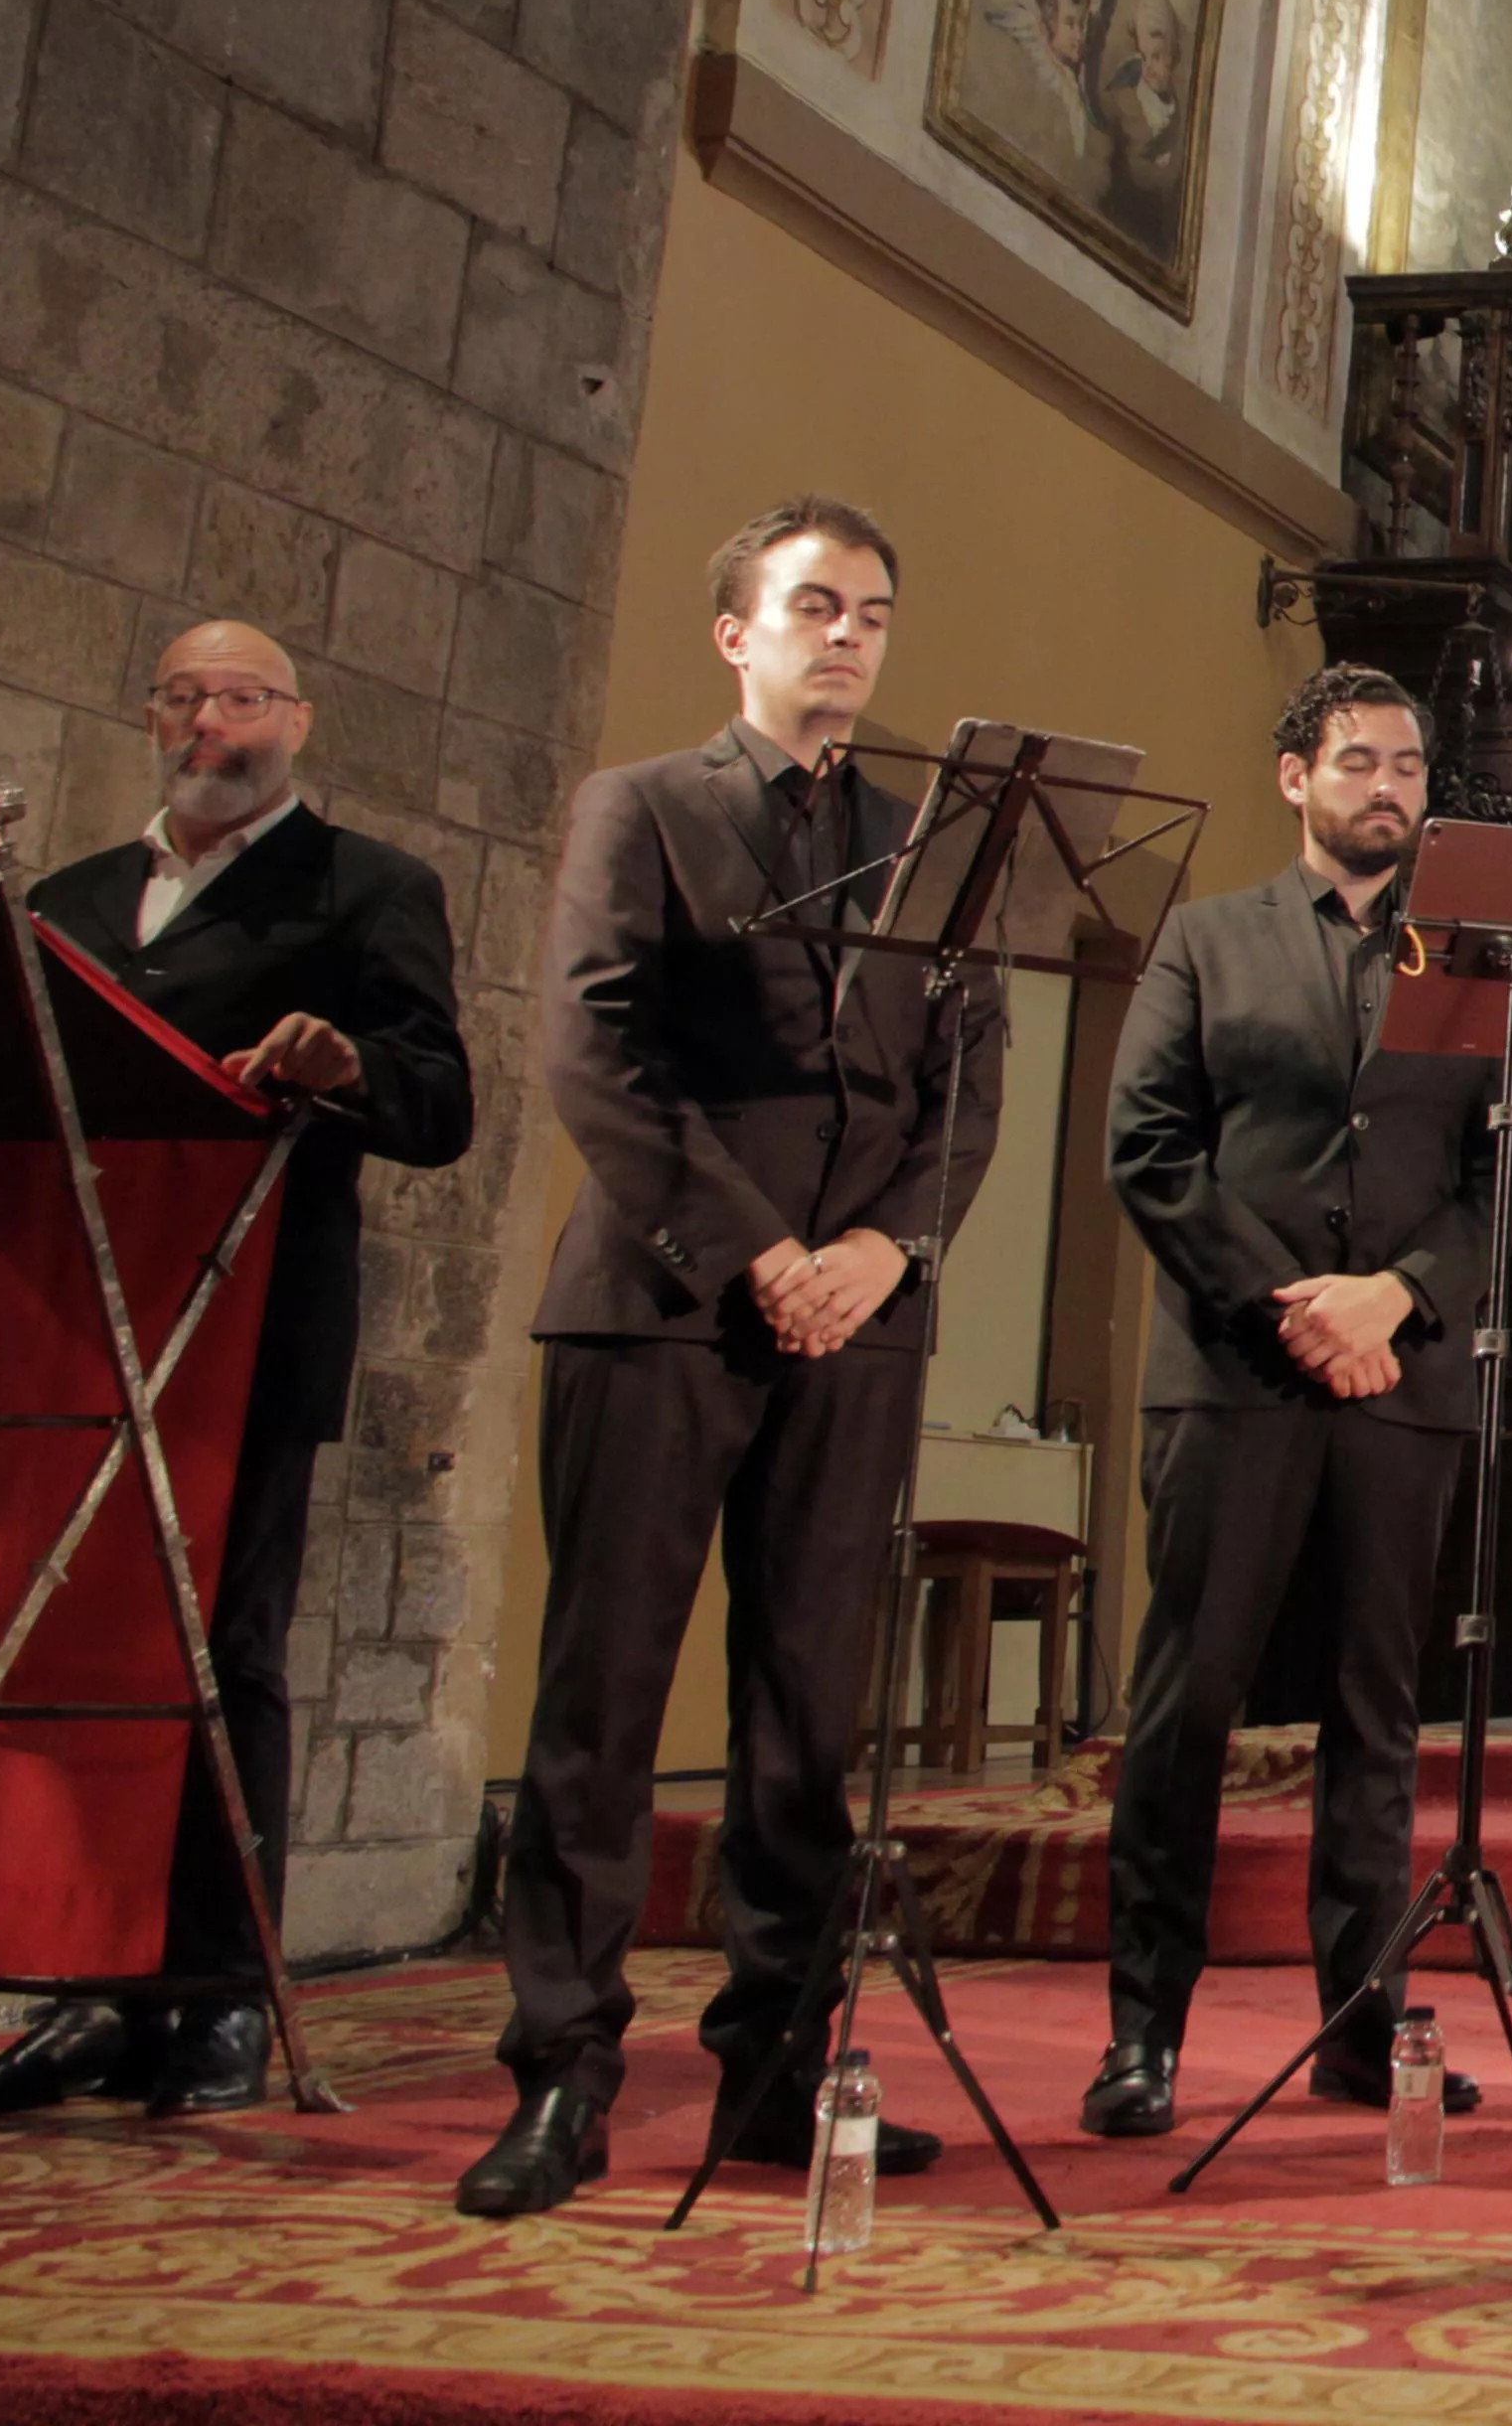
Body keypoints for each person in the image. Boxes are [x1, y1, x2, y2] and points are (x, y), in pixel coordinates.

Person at [455, 502, 1007, 2220]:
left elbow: (962, 1088)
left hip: (857, 1313)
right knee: (602, 1702)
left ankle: (775, 2068)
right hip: (665, 1299)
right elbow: (594, 1049)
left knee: (805, 1717)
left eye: (874, 612)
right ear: (736, 634)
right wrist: (757, 1248)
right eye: (815, 606)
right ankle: (564, 2073)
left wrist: (875, 1250)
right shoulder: (645, 807)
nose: (847, 636)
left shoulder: (938, 841)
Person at [0, 624, 471, 2124]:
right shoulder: (76, 899)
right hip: (54, 1326)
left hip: (246, 1323)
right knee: (17, 1648)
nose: (208, 723)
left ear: (297, 719)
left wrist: (345, 1065)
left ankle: (208, 1997)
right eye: (182, 697)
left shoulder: (367, 891)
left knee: (225, 1656)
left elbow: (439, 1102)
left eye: (240, 699)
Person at [1080, 668, 1511, 2142]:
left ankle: (1362, 2021)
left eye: (1405, 765)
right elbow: (1147, 1152)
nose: (1385, 786)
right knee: (1185, 1706)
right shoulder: (1206, 939)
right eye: (1356, 761)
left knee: (1373, 1720)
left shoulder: (1472, 961)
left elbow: (1488, 1183)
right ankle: (1144, 2032)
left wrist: (1394, 1299)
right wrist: (1295, 1311)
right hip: (1236, 1375)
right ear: (1294, 777)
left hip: (1403, 1381)